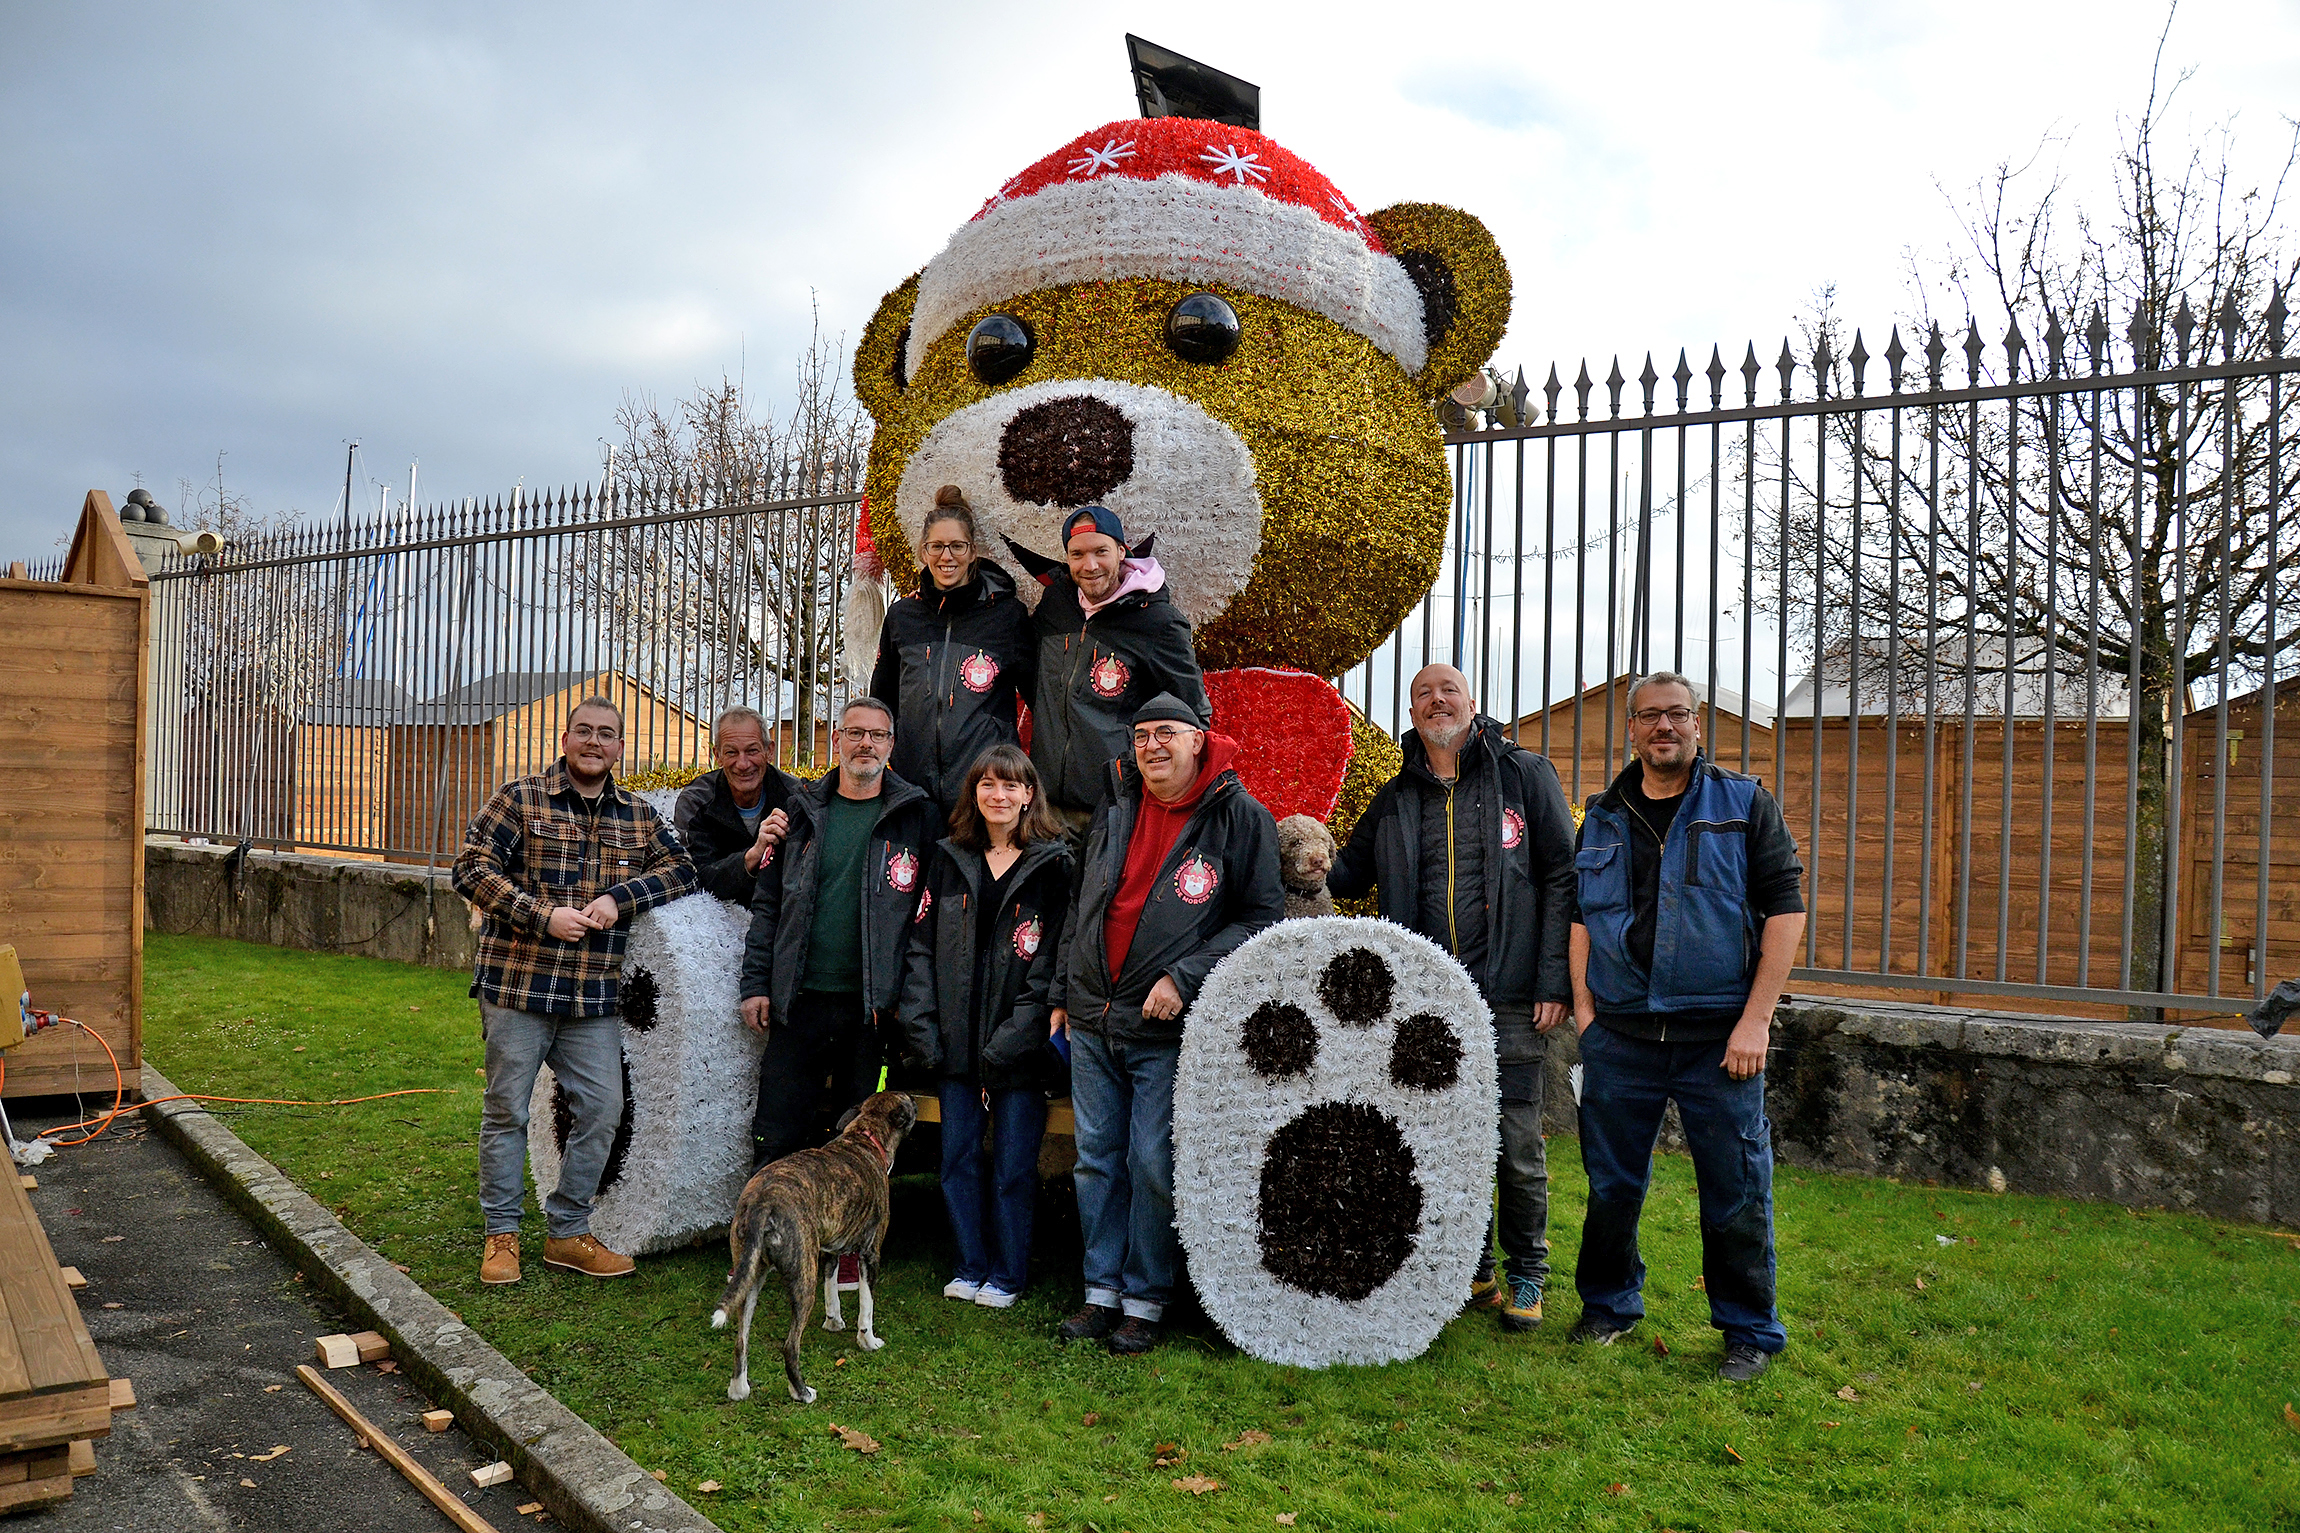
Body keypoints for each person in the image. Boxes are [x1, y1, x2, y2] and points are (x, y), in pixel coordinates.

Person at [1562, 671, 1806, 1381]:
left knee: (1735, 1189)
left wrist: (1756, 1021)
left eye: (1676, 714)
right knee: (1611, 1186)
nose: (1663, 726)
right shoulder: (1603, 814)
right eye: (1649, 716)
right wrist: (1585, 1010)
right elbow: (1582, 917)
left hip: (1718, 1041)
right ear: (1632, 728)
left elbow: (1785, 913)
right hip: (1622, 1040)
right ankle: (1608, 1306)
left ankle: (1749, 1331)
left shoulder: (1744, 804)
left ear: (1698, 723)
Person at [1327, 663, 1577, 1335]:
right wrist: (1291, 841)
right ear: (1411, 709)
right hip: (1427, 1004)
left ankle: (1528, 1268)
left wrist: (1555, 980)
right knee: (1442, 1139)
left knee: (1516, 1141)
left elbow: (1563, 875)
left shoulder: (1525, 776)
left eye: (1449, 691)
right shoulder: (1395, 797)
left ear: (1473, 701)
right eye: (1423, 693)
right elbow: (1346, 873)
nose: (1437, 701)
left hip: (1515, 995)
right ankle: (1475, 1264)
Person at [1049, 693, 1283, 1354]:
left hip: (1167, 1030)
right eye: (1143, 734)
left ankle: (1146, 1299)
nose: (1153, 745)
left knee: (1151, 1161)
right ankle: (1101, 1294)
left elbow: (1261, 920)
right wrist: (1065, 988)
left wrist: (1184, 976)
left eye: (1168, 733)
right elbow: (1083, 903)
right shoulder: (1117, 804)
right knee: (1096, 1160)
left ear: (1199, 740)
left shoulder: (1240, 818)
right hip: (1094, 1018)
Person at [452, 697, 698, 1285]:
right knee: (507, 1111)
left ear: (619, 747)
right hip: (517, 987)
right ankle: (501, 1236)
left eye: (606, 734)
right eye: (584, 731)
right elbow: (471, 868)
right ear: (565, 739)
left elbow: (683, 869)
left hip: (590, 999)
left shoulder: (637, 816)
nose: (594, 742)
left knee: (603, 1110)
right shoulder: (520, 798)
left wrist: (621, 898)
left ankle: (566, 1232)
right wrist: (542, 916)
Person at [897, 744, 1073, 1310]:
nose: (999, 796)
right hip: (954, 1042)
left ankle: (1007, 1273)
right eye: (987, 786)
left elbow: (1051, 961)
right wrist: (924, 1027)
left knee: (1015, 1169)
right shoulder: (948, 858)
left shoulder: (1053, 864)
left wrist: (1016, 1037)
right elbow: (920, 948)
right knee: (958, 1161)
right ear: (974, 795)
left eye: (1011, 786)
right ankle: (969, 1264)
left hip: (1018, 1048)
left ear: (1029, 795)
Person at [737, 697, 937, 1172]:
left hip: (870, 1010)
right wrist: (755, 985)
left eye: (877, 735)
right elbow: (769, 906)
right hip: (797, 1001)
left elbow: (928, 921)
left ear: (892, 745)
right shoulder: (799, 811)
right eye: (855, 733)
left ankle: (847, 1247)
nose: (865, 743)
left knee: (858, 1146)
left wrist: (908, 1002)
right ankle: (763, 1241)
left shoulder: (918, 818)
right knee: (776, 1136)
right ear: (837, 741)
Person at [1019, 505, 1208, 837]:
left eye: (1100, 552)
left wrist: (1141, 778)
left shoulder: (1157, 622)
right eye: (1077, 554)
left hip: (1113, 813)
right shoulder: (1055, 607)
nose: (1089, 565)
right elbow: (1037, 686)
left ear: (1122, 551)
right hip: (1043, 809)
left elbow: (1192, 716)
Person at [869, 485, 1038, 817]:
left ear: (973, 551)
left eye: (957, 546)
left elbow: (1039, 701)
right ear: (923, 551)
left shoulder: (1007, 616)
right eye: (936, 547)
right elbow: (882, 699)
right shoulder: (902, 616)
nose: (947, 557)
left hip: (985, 792)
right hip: (911, 788)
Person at [674, 706, 794, 904]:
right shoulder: (696, 802)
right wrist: (753, 855)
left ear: (769, 751)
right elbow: (696, 876)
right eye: (731, 752)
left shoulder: (794, 796)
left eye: (752, 750)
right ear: (717, 755)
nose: (743, 764)